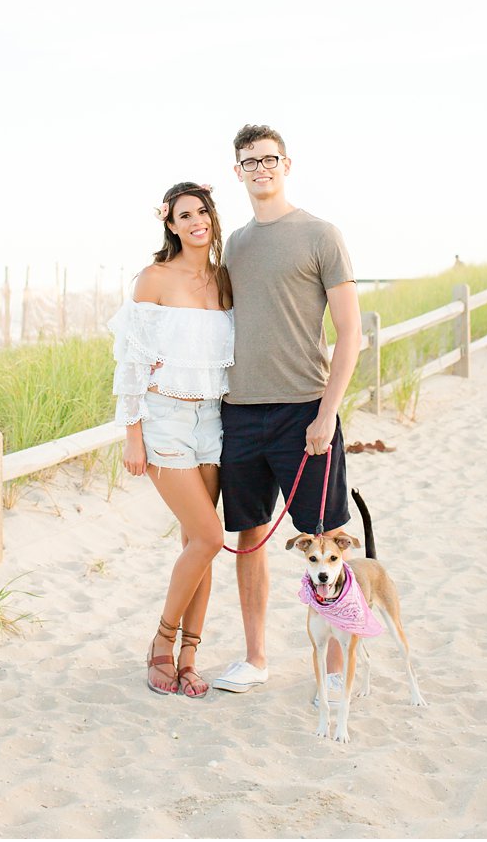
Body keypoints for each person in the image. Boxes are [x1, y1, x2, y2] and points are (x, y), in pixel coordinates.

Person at [211, 124, 363, 696]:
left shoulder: (321, 235)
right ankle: (255, 658)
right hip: (241, 414)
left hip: (305, 411)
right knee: (248, 538)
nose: (260, 169)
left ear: (287, 164)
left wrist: (327, 414)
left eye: (269, 159)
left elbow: (350, 335)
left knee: (327, 536)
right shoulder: (235, 246)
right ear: (238, 171)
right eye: (249, 162)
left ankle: (334, 672)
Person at [108, 181, 235, 698]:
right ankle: (162, 642)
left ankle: (189, 658)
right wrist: (132, 434)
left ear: (211, 216)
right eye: (183, 215)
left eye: (201, 212)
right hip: (165, 420)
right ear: (170, 223)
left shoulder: (226, 281)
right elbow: (131, 361)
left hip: (214, 421)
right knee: (209, 536)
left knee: (197, 546)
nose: (194, 222)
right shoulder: (154, 279)